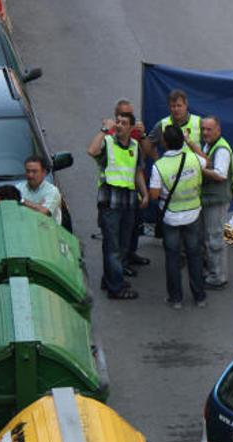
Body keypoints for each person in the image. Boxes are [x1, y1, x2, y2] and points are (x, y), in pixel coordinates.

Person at [87, 111, 149, 300]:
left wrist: (144, 193)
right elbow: (92, 151)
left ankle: (110, 279)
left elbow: (137, 172)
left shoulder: (135, 145)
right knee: (113, 247)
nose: (120, 125)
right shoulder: (108, 142)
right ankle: (117, 288)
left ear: (131, 128)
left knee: (120, 246)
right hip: (110, 204)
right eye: (118, 122)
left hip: (128, 203)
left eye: (124, 123)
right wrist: (104, 129)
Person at [149, 126, 207, 309]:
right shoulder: (194, 159)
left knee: (173, 258)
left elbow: (154, 195)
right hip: (193, 214)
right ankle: (200, 297)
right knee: (195, 255)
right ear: (182, 141)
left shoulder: (159, 167)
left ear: (165, 143)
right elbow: (207, 161)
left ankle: (176, 299)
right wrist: (191, 143)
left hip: (171, 218)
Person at [107, 98, 151, 269]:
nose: (127, 119)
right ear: (116, 116)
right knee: (119, 232)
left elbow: (147, 154)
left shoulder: (135, 131)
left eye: (130, 114)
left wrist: (143, 135)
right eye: (123, 115)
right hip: (117, 193)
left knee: (134, 225)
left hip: (134, 189)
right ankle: (120, 265)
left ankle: (131, 254)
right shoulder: (111, 135)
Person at [199, 116, 233, 289]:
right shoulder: (209, 145)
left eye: (209, 129)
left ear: (218, 130)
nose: (205, 132)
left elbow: (220, 175)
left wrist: (200, 169)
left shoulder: (222, 150)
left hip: (217, 200)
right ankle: (212, 271)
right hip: (210, 198)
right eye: (203, 129)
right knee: (209, 237)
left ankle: (218, 277)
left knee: (215, 238)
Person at [146, 89, 202, 161]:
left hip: (193, 169)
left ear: (186, 105)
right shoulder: (162, 124)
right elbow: (148, 145)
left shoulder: (198, 122)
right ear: (169, 107)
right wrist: (158, 161)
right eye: (173, 106)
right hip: (171, 170)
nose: (176, 109)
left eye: (179, 106)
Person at [16, 155, 62, 224]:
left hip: (48, 231)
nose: (30, 175)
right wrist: (37, 206)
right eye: (28, 171)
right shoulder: (19, 188)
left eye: (34, 172)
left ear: (44, 173)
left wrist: (22, 201)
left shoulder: (52, 191)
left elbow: (44, 213)